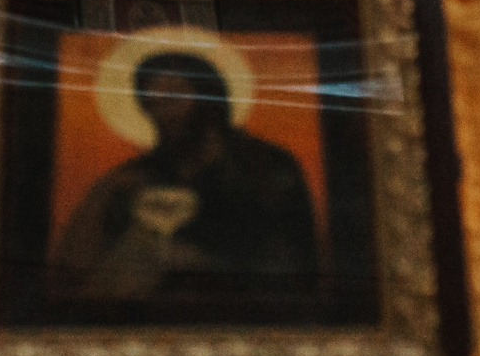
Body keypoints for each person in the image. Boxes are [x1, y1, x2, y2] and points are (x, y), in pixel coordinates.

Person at [49, 50, 322, 314]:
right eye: (152, 104)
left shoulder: (265, 166)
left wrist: (200, 262)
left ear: (208, 98)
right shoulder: (136, 177)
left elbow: (293, 264)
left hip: (245, 318)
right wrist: (104, 196)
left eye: (172, 97)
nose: (163, 114)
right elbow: (75, 270)